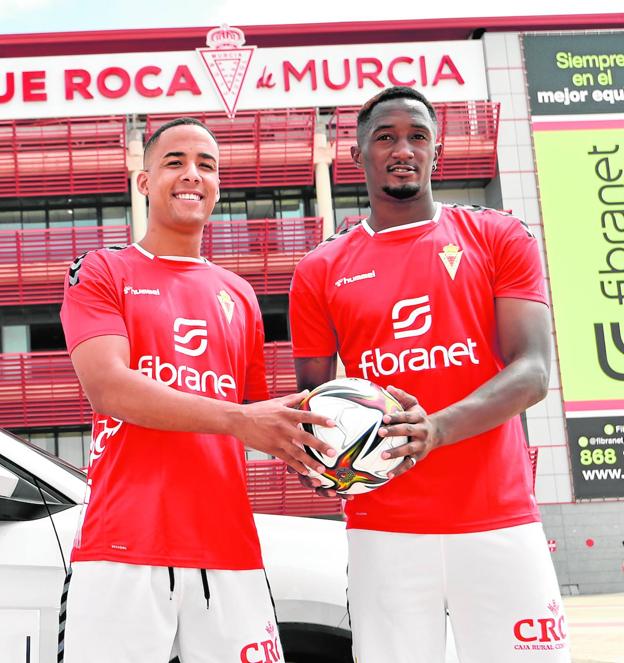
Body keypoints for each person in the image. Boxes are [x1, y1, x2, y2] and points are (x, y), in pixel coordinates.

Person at [289, 87, 571, 662]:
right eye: (386, 137)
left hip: (498, 518)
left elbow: (534, 370)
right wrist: (310, 459)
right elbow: (311, 404)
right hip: (383, 526)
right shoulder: (320, 269)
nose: (403, 149)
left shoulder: (498, 236)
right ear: (357, 155)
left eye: (418, 136)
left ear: (436, 152)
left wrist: (435, 429)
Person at [59, 117, 335, 663]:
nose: (193, 175)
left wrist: (328, 446)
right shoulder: (101, 271)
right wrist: (242, 420)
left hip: (228, 546)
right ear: (144, 182)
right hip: (124, 547)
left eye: (206, 166)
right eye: (175, 162)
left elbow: (256, 414)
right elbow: (110, 388)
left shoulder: (238, 293)